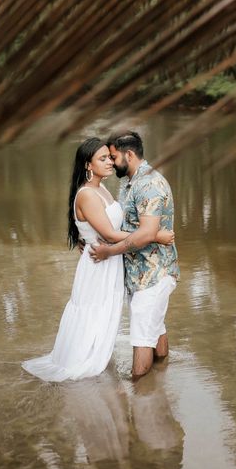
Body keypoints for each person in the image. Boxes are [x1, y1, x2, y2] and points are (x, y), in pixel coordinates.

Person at [22, 137, 174, 382]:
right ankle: (88, 364)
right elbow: (110, 234)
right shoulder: (88, 195)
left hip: (110, 263)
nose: (110, 163)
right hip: (98, 265)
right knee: (93, 315)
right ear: (87, 165)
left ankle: (144, 376)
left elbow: (112, 225)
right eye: (103, 158)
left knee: (107, 317)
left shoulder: (102, 188)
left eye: (110, 157)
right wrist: (155, 235)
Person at [89, 131, 179, 380]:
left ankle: (140, 392)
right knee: (154, 328)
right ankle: (161, 381)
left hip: (153, 273)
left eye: (114, 157)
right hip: (143, 274)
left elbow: (146, 233)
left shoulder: (149, 184)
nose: (111, 162)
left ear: (129, 154)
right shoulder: (133, 182)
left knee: (140, 339)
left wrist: (108, 251)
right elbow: (136, 229)